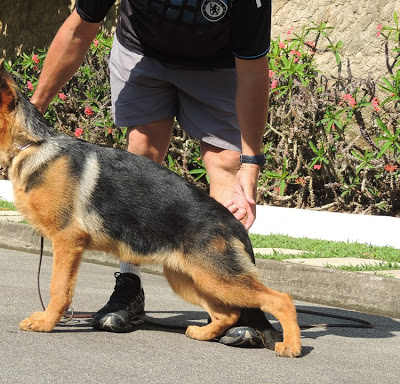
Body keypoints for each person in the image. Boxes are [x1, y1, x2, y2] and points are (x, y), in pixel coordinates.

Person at [30, 0, 271, 347]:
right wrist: (34, 110)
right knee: (142, 151)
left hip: (217, 64)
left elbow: (252, 70)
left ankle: (233, 301)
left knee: (226, 163)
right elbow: (79, 28)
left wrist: (251, 164)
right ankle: (129, 290)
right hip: (142, 51)